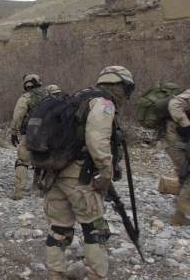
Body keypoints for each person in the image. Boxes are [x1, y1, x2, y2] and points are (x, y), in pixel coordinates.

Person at [42, 66, 134, 280]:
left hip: (54, 173)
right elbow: (96, 140)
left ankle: (56, 274)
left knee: (59, 228)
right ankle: (96, 275)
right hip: (80, 176)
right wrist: (106, 172)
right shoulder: (103, 103)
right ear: (119, 86)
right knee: (94, 228)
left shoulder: (77, 99)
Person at [10, 74, 49, 199]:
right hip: (47, 135)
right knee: (43, 161)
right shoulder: (49, 96)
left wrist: (14, 132)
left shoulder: (26, 97)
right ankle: (39, 187)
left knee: (22, 161)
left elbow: (18, 116)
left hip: (29, 134)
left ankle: (18, 191)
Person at [164, 89, 190, 225]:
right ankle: (179, 215)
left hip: (181, 141)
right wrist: (186, 126)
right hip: (176, 140)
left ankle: (181, 211)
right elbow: (174, 104)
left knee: (184, 173)